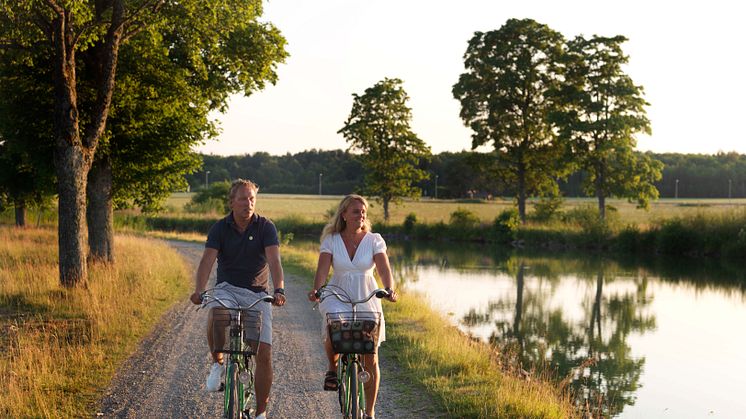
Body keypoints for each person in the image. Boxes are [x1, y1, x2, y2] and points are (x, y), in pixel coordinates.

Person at [190, 179, 286, 419]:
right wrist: (199, 290)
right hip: (227, 288)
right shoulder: (220, 228)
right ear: (232, 202)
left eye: (252, 198)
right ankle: (218, 364)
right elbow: (207, 261)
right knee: (216, 311)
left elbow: (274, 261)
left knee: (263, 353)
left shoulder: (265, 227)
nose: (248, 203)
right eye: (243, 198)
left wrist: (279, 290)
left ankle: (261, 414)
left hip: (257, 294)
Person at [307, 194, 397, 419]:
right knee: (333, 322)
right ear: (344, 214)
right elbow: (322, 270)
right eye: (356, 211)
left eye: (364, 211)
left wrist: (389, 288)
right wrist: (317, 290)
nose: (361, 215)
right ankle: (332, 368)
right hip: (338, 291)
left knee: (371, 355)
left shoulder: (374, 239)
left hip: (367, 293)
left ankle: (370, 412)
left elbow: (384, 268)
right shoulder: (332, 239)